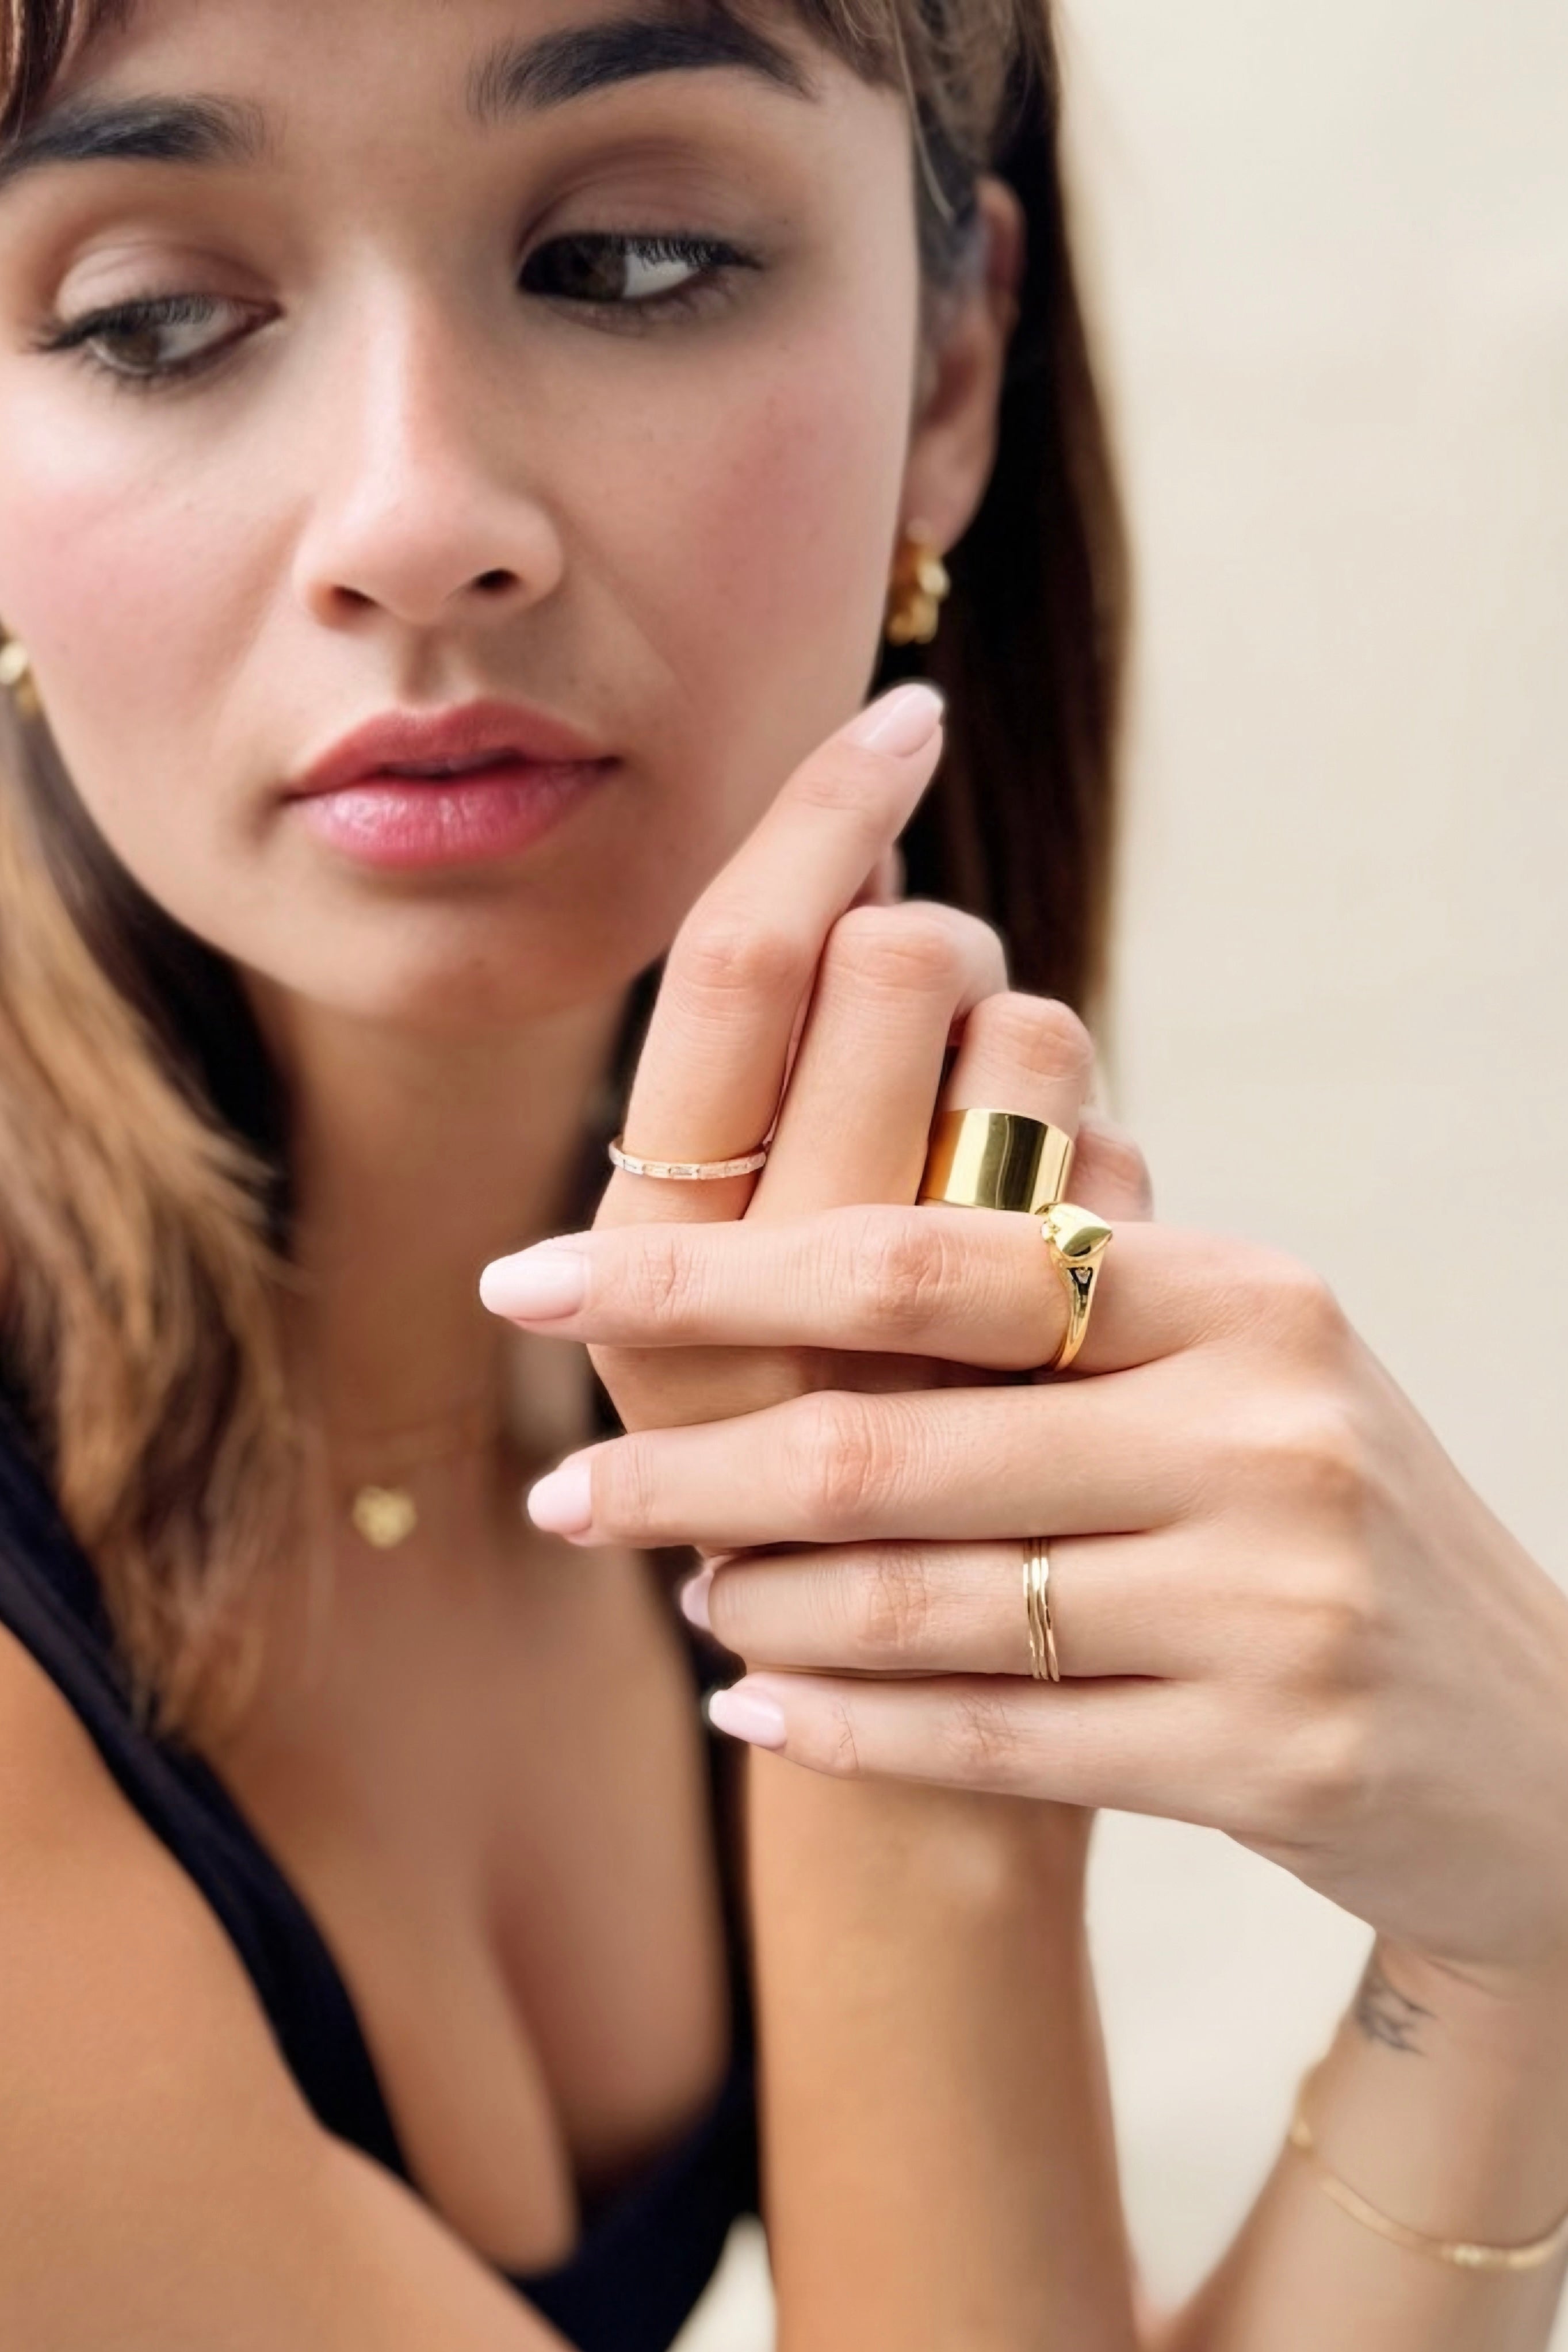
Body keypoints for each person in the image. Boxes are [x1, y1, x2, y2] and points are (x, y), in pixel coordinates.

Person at [0, 1, 1565, 2349]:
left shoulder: (755, 1302)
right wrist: (893, 1730)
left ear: (952, 373)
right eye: (149, 321)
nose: (419, 514)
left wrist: (1517, 1930)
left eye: (626, 263)